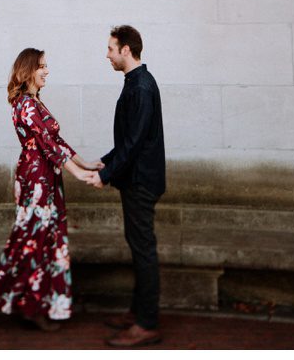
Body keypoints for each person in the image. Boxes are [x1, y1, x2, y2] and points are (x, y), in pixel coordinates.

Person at [0, 48, 103, 331]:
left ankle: (33, 306)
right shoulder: (27, 105)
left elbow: (57, 141)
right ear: (27, 70)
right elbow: (48, 145)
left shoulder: (35, 102)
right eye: (41, 66)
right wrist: (79, 173)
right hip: (36, 181)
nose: (46, 71)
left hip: (46, 179)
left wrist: (87, 163)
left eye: (46, 66)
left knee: (45, 243)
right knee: (29, 243)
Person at [91, 24, 166, 348]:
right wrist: (106, 161)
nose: (106, 54)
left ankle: (146, 323)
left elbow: (134, 143)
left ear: (126, 50)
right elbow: (129, 140)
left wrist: (105, 175)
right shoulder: (136, 83)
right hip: (136, 178)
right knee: (138, 246)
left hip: (140, 182)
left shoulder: (141, 87)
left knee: (143, 250)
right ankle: (138, 313)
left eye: (110, 48)